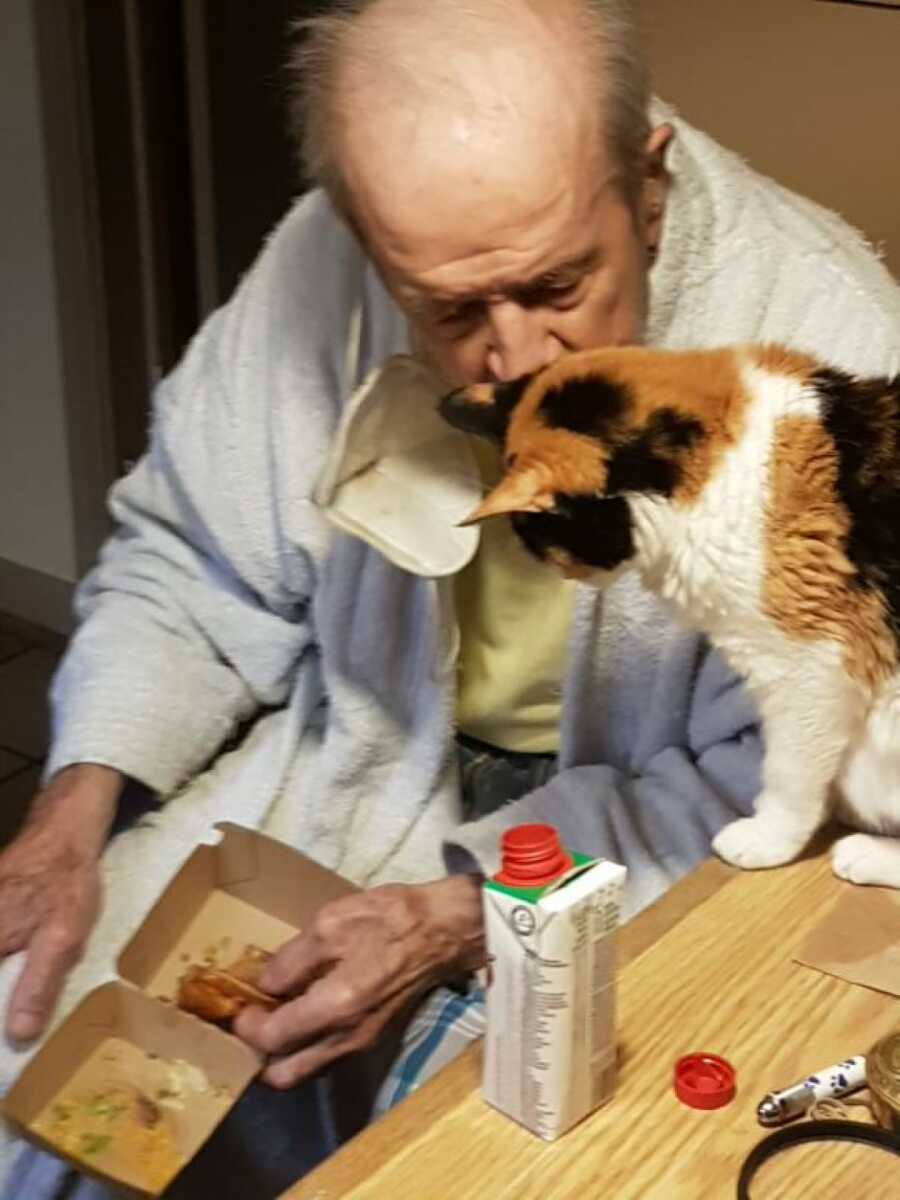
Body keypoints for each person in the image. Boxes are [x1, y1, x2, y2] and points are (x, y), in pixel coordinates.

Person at [2, 0, 899, 1194]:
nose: (521, 358)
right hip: (355, 757)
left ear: (646, 184)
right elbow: (190, 566)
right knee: (27, 1045)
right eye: (452, 311)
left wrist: (471, 906)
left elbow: (809, 764)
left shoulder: (829, 339)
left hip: (660, 837)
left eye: (559, 284)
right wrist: (73, 807)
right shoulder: (323, 260)